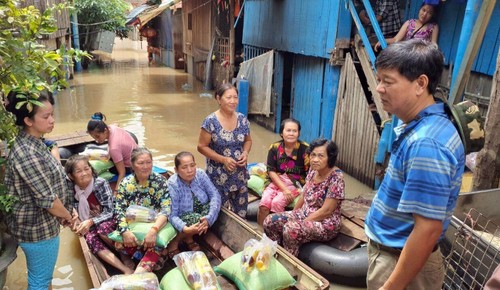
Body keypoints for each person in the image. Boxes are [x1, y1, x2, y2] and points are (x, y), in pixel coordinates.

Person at [364, 39, 465, 289]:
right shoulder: (423, 121)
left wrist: (390, 286)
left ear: (420, 84)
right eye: (379, 80)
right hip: (394, 254)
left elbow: (427, 230)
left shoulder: (426, 144)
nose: (379, 89)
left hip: (399, 263)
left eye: (388, 81)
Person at [4, 90, 77, 289]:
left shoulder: (36, 143)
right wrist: (70, 219)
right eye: (46, 116)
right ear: (28, 120)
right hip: (37, 230)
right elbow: (49, 201)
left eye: (52, 114)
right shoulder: (27, 153)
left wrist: (66, 211)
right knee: (40, 281)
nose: (52, 120)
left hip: (42, 223)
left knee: (43, 278)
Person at [263, 138, 344, 257]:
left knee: (291, 229)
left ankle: (290, 263)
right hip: (305, 213)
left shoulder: (336, 177)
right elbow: (304, 193)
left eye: (321, 156)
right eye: (313, 155)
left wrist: (301, 222)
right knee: (270, 221)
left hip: (325, 223)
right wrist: (294, 214)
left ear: (330, 158)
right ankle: (276, 253)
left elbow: (326, 211)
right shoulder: (313, 170)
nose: (315, 159)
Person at [65, 155, 133, 274]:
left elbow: (111, 211)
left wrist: (91, 221)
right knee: (90, 237)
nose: (85, 173)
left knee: (102, 229)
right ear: (71, 176)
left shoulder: (100, 183)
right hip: (88, 225)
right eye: (79, 171)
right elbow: (70, 210)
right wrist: (75, 222)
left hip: (108, 220)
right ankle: (124, 269)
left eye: (87, 169)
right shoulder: (70, 190)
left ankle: (124, 255)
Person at [197, 83, 252, 219]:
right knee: (219, 215)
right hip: (218, 176)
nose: (233, 101)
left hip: (240, 175)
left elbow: (248, 141)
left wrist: (245, 153)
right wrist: (223, 159)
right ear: (218, 99)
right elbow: (201, 146)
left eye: (235, 97)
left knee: (241, 214)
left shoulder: (242, 119)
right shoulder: (210, 121)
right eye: (228, 97)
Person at [114, 147, 171, 273]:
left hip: (154, 225)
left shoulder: (160, 182)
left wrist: (153, 230)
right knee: (118, 243)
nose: (145, 166)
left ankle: (138, 273)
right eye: (140, 163)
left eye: (148, 162)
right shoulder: (125, 183)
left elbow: (166, 210)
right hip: (133, 226)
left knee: (155, 246)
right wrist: (125, 232)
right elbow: (119, 209)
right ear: (133, 165)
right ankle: (130, 256)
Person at [166, 151, 222, 257]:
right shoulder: (172, 184)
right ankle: (178, 240)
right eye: (184, 167)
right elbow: (172, 214)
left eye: (192, 165)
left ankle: (189, 237)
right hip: (184, 217)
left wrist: (209, 218)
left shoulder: (200, 174)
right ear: (176, 170)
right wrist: (185, 229)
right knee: (195, 218)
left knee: (212, 208)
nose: (190, 170)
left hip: (202, 213)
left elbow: (214, 194)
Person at [257, 118, 309, 226]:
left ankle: (276, 233)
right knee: (264, 203)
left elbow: (310, 174)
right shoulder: (274, 147)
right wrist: (284, 189)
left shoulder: (305, 149)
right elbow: (271, 170)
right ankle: (260, 233)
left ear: (298, 133)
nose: (291, 133)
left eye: (294, 131)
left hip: (295, 183)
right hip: (277, 180)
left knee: (277, 202)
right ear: (281, 133)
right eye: (288, 130)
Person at [86, 112, 138, 192]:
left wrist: (116, 191)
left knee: (111, 169)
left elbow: (122, 172)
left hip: (131, 166)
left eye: (98, 136)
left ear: (105, 130)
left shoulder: (114, 148)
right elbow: (116, 124)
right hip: (135, 153)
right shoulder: (112, 127)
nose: (97, 140)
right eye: (94, 138)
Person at [375, 3, 439, 52]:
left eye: (429, 13)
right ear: (420, 9)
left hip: (420, 59)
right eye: (423, 10)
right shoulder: (409, 23)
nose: (424, 14)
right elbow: (396, 39)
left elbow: (433, 45)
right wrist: (383, 41)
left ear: (432, 16)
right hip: (406, 55)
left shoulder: (433, 27)